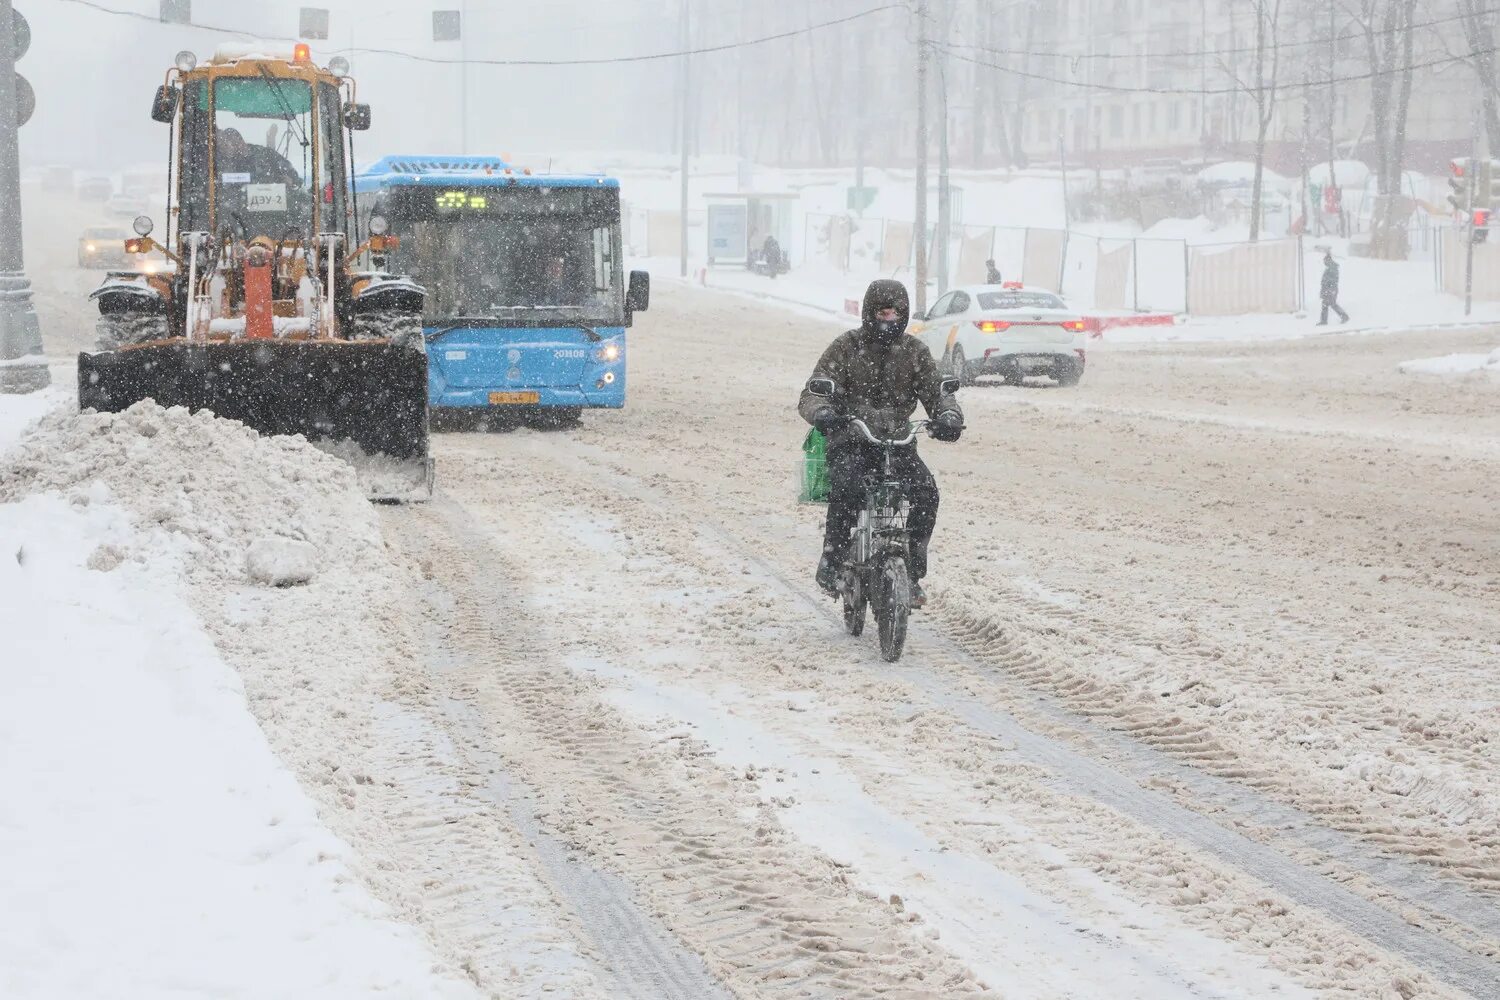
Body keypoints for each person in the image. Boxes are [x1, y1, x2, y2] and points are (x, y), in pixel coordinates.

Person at [799, 279, 964, 609]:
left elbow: (938, 394)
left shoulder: (914, 352)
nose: (888, 320)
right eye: (881, 313)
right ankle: (831, 561)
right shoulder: (845, 348)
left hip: (898, 444)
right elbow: (813, 394)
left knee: (925, 492)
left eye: (895, 313)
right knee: (846, 488)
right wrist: (825, 413)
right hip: (851, 441)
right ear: (868, 313)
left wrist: (947, 416)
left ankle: (913, 573)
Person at [1318, 251, 1349, 325]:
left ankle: (1344, 317)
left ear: (1328, 261)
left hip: (1330, 290)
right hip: (1329, 290)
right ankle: (1324, 321)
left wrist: (1328, 288)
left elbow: (1332, 280)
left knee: (1331, 305)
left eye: (1325, 261)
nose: (1324, 262)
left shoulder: (1332, 268)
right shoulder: (1330, 268)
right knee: (1326, 305)